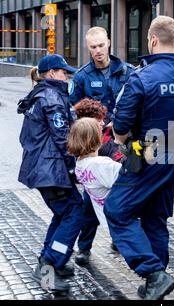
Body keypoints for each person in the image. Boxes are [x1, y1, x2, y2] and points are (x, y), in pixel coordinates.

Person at [103, 16, 174, 300]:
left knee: (117, 210)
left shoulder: (142, 76)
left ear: (153, 40)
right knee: (155, 218)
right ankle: (155, 282)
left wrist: (121, 139)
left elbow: (121, 127)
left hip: (147, 158)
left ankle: (153, 273)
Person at [17, 54, 85, 292]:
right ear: (52, 73)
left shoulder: (41, 95)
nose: (67, 76)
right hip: (50, 168)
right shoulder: (51, 96)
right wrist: (73, 166)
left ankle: (53, 256)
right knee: (76, 212)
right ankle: (49, 265)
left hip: (44, 167)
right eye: (63, 72)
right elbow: (63, 137)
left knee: (63, 213)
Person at [69, 27, 134, 264]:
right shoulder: (81, 77)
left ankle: (119, 237)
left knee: (124, 190)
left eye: (101, 45)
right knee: (91, 196)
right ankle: (84, 247)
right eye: (92, 47)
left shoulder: (128, 71)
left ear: (109, 42)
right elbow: (73, 112)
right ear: (88, 48)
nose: (97, 51)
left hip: (124, 141)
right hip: (96, 144)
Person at [68, 117, 122, 234]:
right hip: (122, 220)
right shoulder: (101, 164)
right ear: (96, 138)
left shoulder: (80, 164)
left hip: (109, 221)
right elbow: (132, 179)